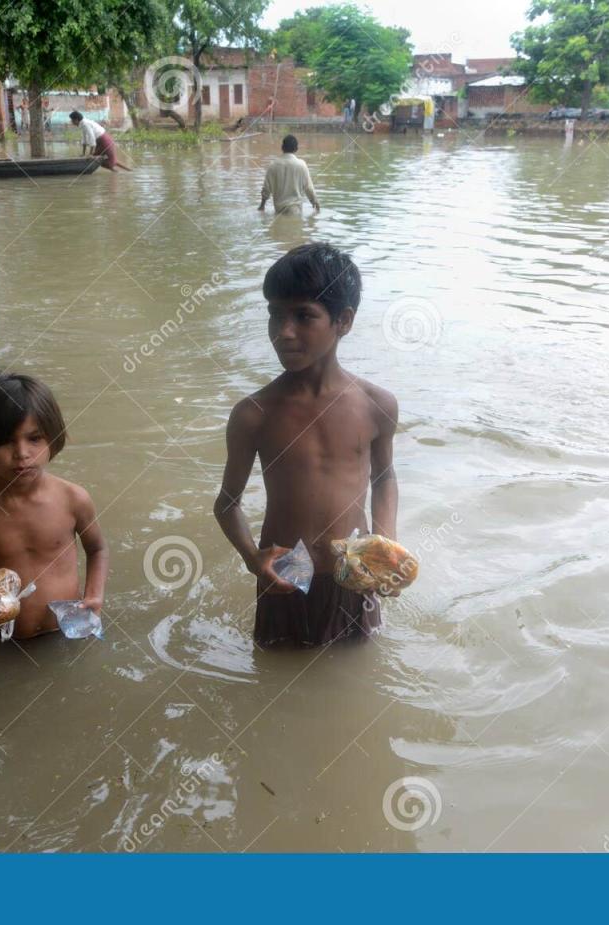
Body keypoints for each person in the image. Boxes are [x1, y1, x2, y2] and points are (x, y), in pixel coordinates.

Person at [213, 243, 400, 648]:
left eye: (303, 316)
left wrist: (385, 549)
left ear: (343, 321)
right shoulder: (254, 414)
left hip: (353, 569)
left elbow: (385, 479)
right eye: (275, 316)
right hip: (284, 573)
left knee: (354, 670)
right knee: (276, 671)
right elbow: (227, 503)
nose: (284, 332)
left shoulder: (376, 405)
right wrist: (252, 559)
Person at [0, 371, 109, 640]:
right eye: (7, 441)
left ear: (52, 439)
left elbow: (98, 548)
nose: (22, 453)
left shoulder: (73, 499)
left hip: (67, 629)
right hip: (5, 637)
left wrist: (94, 595)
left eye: (34, 438)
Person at [259, 135, 320, 215]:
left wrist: (262, 205)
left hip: (278, 211)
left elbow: (266, 189)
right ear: (296, 149)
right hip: (295, 212)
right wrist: (315, 202)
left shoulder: (273, 165)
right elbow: (308, 187)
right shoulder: (301, 165)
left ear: (282, 147)